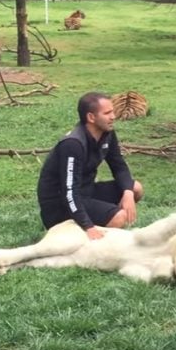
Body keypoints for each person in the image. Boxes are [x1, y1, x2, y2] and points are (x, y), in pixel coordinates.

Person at [37, 92, 144, 240]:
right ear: (91, 117)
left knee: (135, 188)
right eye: (107, 113)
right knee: (119, 217)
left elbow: (119, 166)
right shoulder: (73, 145)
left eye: (112, 111)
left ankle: (103, 222)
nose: (113, 116)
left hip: (86, 192)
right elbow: (69, 192)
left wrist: (127, 193)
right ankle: (89, 233)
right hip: (60, 205)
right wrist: (88, 225)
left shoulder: (107, 134)